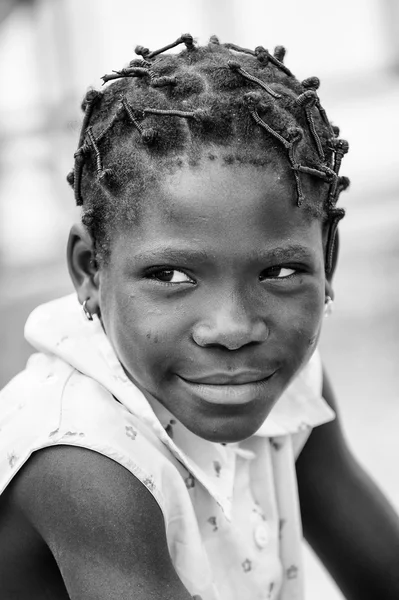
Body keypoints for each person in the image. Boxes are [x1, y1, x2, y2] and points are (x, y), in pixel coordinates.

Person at [0, 33, 398, 600]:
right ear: (90, 269)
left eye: (279, 273)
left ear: (327, 261)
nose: (233, 329)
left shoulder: (287, 389)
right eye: (170, 277)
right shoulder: (81, 457)